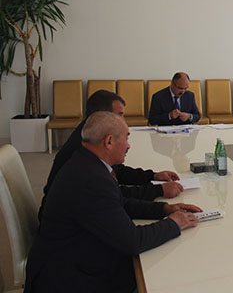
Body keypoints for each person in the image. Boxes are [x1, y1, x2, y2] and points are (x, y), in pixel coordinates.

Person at [25, 112, 201, 292]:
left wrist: (165, 209)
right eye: (126, 138)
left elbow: (119, 202)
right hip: (67, 276)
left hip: (74, 253)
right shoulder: (92, 180)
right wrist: (174, 223)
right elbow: (133, 241)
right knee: (156, 273)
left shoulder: (86, 161)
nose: (128, 145)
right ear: (109, 141)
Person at [39, 90, 183, 222]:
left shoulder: (89, 136)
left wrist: (153, 176)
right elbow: (114, 195)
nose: (123, 121)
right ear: (102, 117)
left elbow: (117, 173)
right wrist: (158, 191)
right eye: (119, 115)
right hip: (66, 227)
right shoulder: (83, 154)